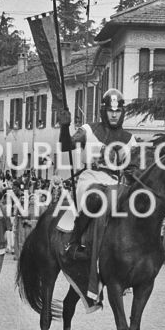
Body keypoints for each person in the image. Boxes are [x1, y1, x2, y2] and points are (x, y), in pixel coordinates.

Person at [58, 89, 134, 259]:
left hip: (115, 180)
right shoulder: (87, 130)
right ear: (103, 111)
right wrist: (64, 126)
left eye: (117, 111)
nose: (114, 115)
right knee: (94, 196)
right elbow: (65, 146)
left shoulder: (129, 139)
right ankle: (75, 241)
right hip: (90, 177)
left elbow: (133, 167)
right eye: (110, 111)